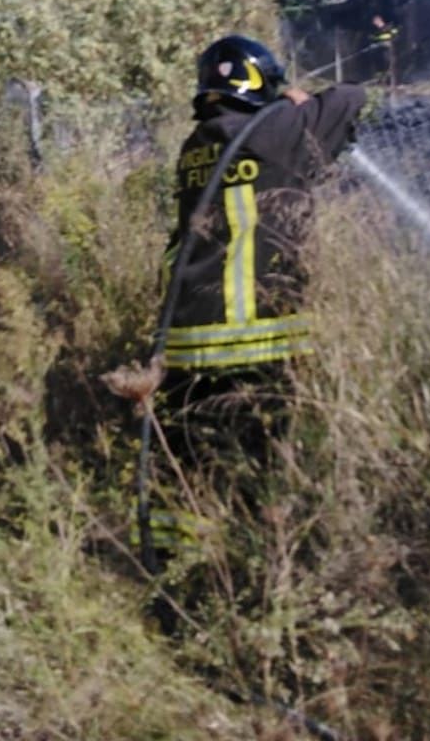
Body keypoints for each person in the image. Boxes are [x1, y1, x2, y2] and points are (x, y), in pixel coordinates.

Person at [153, 35, 364, 526]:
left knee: (188, 464)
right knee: (259, 467)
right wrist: (299, 102)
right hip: (256, 342)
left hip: (187, 339)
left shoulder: (197, 146)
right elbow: (352, 98)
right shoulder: (279, 130)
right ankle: (253, 557)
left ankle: (174, 569)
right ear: (261, 85)